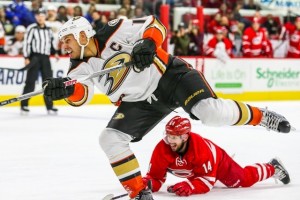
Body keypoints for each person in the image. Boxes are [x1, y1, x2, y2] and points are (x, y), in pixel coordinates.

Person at [42, 16, 292, 200]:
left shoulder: (114, 28)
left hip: (170, 76)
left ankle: (263, 117)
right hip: (140, 101)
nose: (64, 46)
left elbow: (154, 24)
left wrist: (149, 43)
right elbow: (81, 95)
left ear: (83, 35)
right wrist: (65, 90)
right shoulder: (77, 67)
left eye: (67, 40)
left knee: (211, 113)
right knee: (109, 138)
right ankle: (139, 192)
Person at [142, 116, 290, 197]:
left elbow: (207, 181)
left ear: (185, 137)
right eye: (168, 136)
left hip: (218, 162)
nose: (169, 141)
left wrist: (190, 186)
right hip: (197, 170)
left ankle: (272, 167)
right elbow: (155, 177)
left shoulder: (200, 149)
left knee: (242, 180)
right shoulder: (162, 149)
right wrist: (146, 184)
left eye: (174, 137)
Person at [21, 8, 58, 115]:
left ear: (45, 17)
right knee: (30, 82)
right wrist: (26, 57)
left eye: (42, 16)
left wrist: (55, 53)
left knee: (48, 83)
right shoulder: (32, 28)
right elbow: (27, 43)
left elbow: (51, 43)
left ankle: (49, 106)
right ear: (36, 17)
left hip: (46, 58)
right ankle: (24, 105)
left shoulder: (48, 29)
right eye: (38, 16)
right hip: (35, 58)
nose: (40, 18)